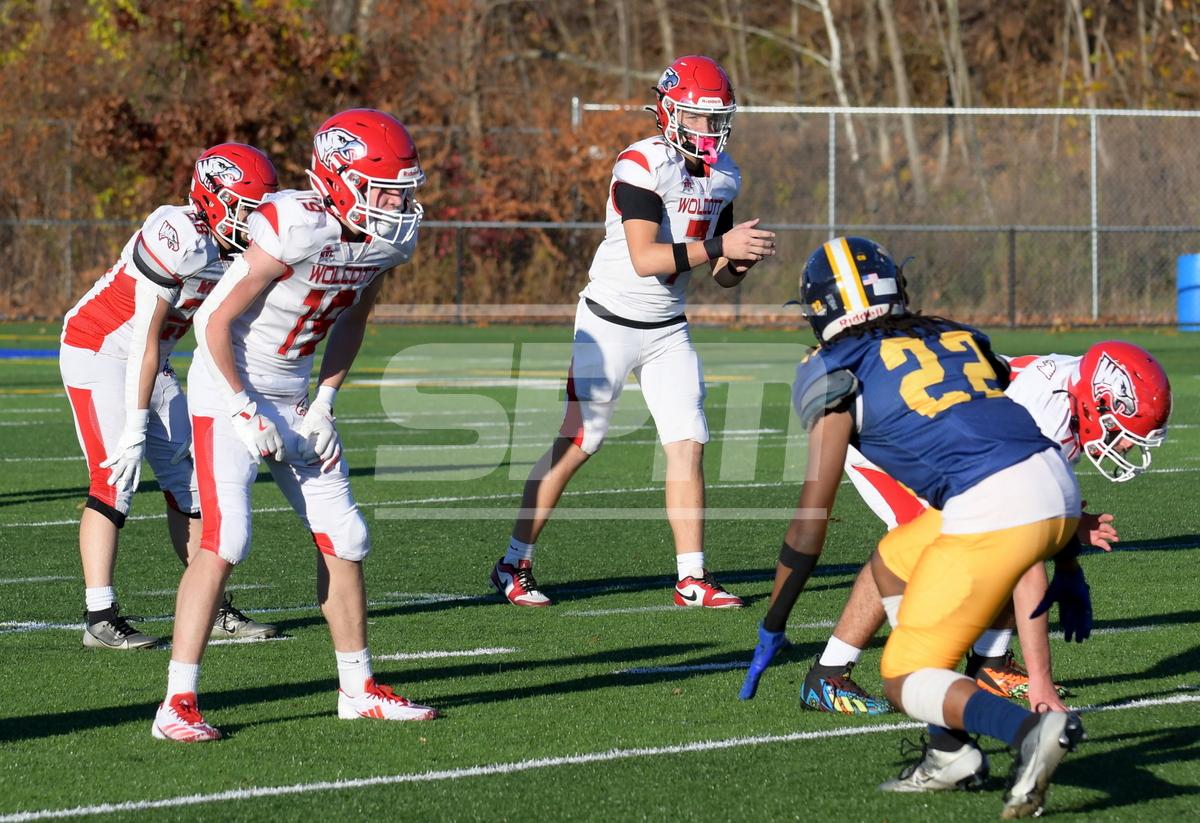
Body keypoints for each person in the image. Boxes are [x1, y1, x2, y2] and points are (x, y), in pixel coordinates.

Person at [755, 236, 1090, 818]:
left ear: (818, 310)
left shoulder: (833, 368)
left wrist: (774, 623)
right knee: (894, 560)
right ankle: (949, 752)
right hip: (1055, 480)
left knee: (902, 676)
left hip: (992, 501)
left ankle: (1028, 733)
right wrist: (1067, 561)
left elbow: (811, 524)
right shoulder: (952, 333)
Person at [150, 109, 437, 742]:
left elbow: (354, 317)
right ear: (339, 179)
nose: (399, 203)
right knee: (226, 539)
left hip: (295, 395)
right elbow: (212, 322)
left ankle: (357, 689)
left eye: (402, 189)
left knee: (346, 536)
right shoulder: (293, 224)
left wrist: (326, 400)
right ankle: (176, 703)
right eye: (385, 188)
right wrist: (243, 407)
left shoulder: (387, 240)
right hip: (229, 385)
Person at [491, 55, 776, 608]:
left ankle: (691, 578)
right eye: (696, 116)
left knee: (688, 441)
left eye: (715, 118)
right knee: (581, 441)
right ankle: (513, 561)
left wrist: (739, 261)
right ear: (668, 112)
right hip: (609, 322)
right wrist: (721, 246)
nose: (707, 128)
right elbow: (647, 258)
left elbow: (718, 272)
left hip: (668, 327)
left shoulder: (725, 174)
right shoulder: (642, 163)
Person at [766, 340, 1168, 718]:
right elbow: (1025, 556)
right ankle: (828, 674)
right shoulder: (1045, 413)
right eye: (1122, 432)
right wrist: (1041, 681)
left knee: (1009, 534)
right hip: (888, 432)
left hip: (948, 436)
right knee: (914, 542)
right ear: (1099, 402)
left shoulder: (1076, 388)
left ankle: (990, 663)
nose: (1125, 447)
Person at [60, 143, 280, 650]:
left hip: (152, 357)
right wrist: (136, 426)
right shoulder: (177, 233)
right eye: (244, 207)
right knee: (115, 477)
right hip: (100, 348)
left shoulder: (242, 249)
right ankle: (99, 617)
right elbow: (144, 334)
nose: (251, 220)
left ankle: (211, 607)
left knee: (192, 485)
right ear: (212, 197)